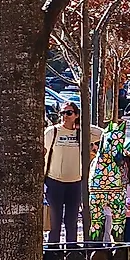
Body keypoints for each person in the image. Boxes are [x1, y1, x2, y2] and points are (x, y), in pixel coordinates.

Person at [44, 102, 87, 244]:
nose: (65, 116)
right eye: (62, 113)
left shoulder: (81, 133)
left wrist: (83, 126)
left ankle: (72, 254)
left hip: (75, 183)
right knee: (55, 224)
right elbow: (42, 156)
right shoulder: (52, 132)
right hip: (54, 183)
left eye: (69, 113)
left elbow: (102, 133)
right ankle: (53, 254)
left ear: (76, 115)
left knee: (71, 222)